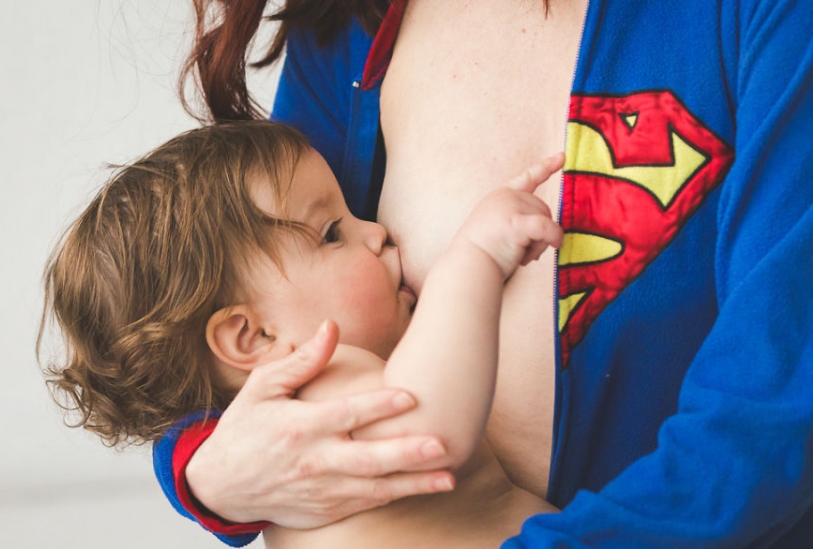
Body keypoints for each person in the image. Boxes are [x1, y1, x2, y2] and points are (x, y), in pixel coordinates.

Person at [154, 0, 813, 547]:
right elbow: (204, 315)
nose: (376, 236)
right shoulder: (351, 24)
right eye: (337, 233)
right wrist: (205, 472)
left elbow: (771, 414)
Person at [41, 119, 563, 548]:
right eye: (332, 233)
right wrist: (474, 257)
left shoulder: (268, 427)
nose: (376, 231)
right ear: (252, 336)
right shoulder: (318, 385)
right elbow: (430, 436)